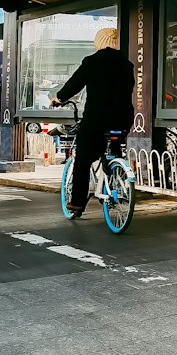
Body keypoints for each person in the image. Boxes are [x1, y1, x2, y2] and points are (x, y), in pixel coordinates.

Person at [52, 27, 135, 218]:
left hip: (97, 119)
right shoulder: (126, 65)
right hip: (122, 120)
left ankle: (77, 203)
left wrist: (58, 98)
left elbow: (73, 85)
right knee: (113, 148)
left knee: (82, 158)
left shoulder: (92, 62)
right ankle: (115, 177)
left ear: (99, 41)